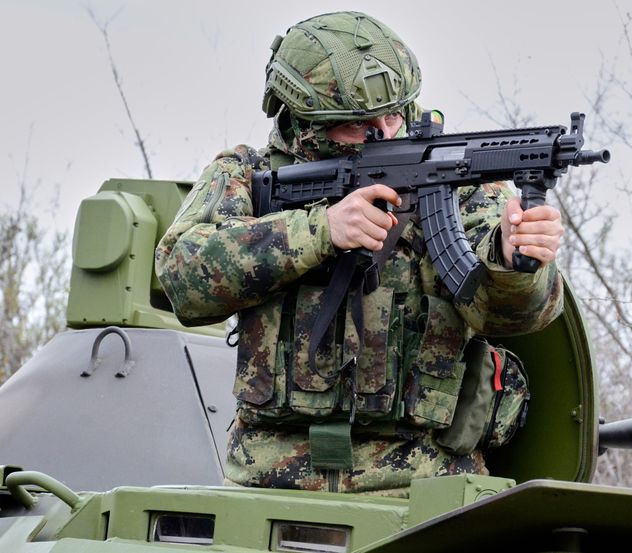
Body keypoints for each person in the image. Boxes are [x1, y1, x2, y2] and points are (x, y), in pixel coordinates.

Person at [155, 11, 564, 496]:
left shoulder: (458, 182)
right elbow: (181, 276)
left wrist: (513, 260)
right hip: (269, 484)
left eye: (393, 116)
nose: (384, 134)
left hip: (425, 487)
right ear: (306, 125)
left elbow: (516, 317)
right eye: (358, 126)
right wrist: (319, 230)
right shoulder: (245, 175)